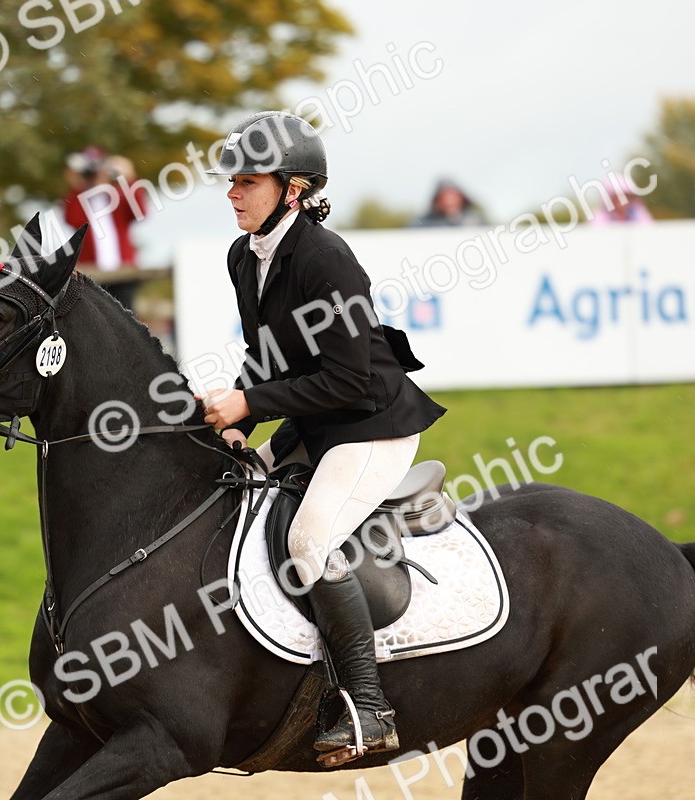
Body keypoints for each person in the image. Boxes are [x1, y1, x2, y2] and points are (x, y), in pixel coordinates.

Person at [200, 111, 446, 761]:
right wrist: (235, 421)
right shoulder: (243, 256)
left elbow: (345, 379)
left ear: (294, 189)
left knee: (309, 540)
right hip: (318, 426)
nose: (232, 192)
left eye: (247, 181)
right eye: (232, 181)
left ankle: (369, 708)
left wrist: (249, 401)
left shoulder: (326, 257)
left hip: (371, 424)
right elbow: (267, 358)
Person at [62, 146, 146, 311]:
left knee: (127, 317)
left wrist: (128, 178)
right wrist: (77, 184)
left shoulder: (118, 197)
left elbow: (140, 212)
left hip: (123, 272)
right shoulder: (81, 199)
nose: (95, 176)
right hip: (91, 274)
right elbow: (72, 219)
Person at [412, 178, 486, 227]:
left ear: (462, 199)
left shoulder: (475, 221)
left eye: (453, 197)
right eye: (444, 197)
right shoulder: (424, 223)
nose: (449, 202)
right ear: (437, 201)